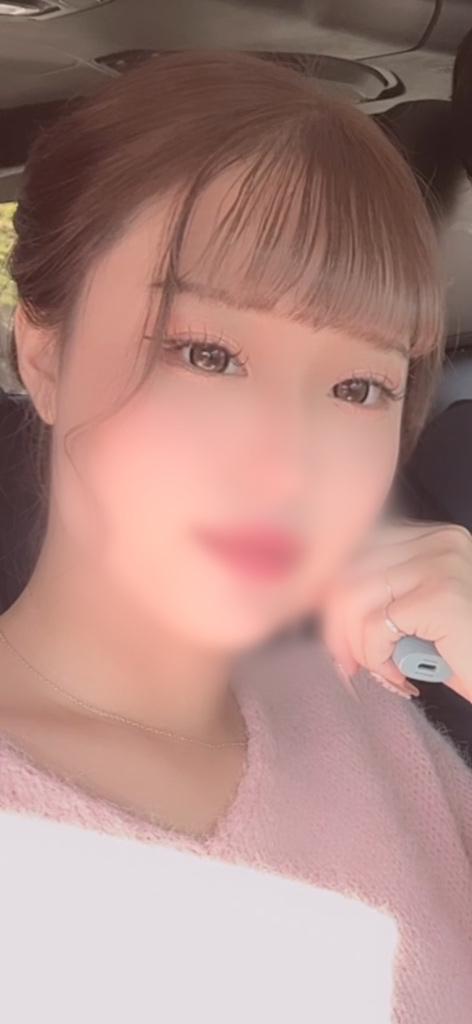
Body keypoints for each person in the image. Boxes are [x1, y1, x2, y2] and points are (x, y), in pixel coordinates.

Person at [0, 51, 471, 1021]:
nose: (288, 470)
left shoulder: (371, 718)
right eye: (206, 354)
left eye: (358, 386)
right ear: (41, 351)